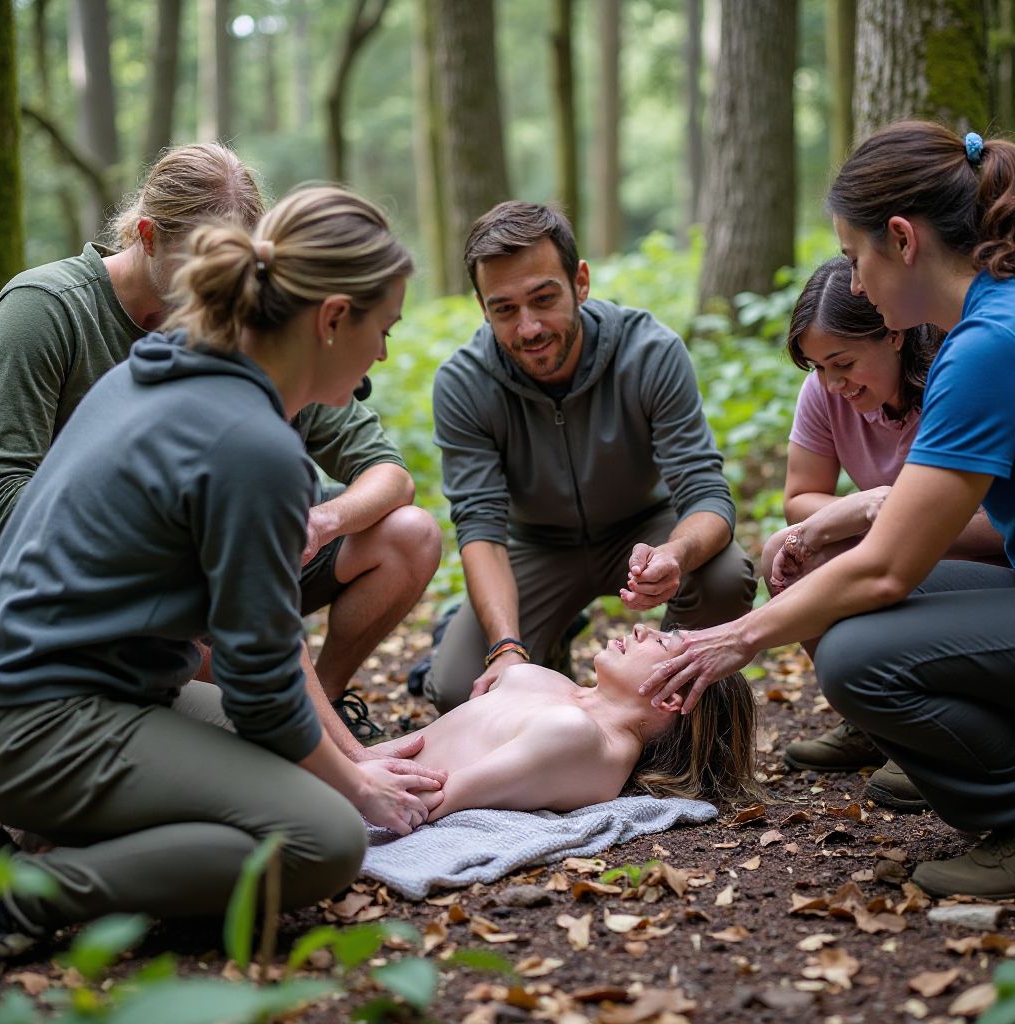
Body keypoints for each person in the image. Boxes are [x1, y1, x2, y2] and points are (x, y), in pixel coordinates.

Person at [0, 185, 445, 961]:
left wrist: (347, 757)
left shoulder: (169, 372)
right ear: (333, 318)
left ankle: (81, 828)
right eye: (383, 329)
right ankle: (28, 898)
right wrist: (357, 786)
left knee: (301, 773)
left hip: (86, 695)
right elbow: (262, 681)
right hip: (39, 718)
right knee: (324, 837)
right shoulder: (250, 445)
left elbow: (262, 652)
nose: (384, 356)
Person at [640, 121, 1015, 900]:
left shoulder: (987, 346)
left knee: (855, 657)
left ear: (903, 240)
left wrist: (736, 637)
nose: (852, 282)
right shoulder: (984, 325)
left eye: (853, 257)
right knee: (841, 617)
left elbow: (887, 569)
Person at [0, 142, 441, 740]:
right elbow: (3, 493)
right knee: (307, 806)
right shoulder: (47, 311)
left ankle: (319, 715)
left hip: (191, 582)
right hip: (78, 607)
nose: (217, 286)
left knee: (407, 532)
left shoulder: (251, 330)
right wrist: (181, 556)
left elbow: (386, 469)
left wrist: (320, 521)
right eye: (199, 263)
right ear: (146, 236)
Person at [426, 201, 756, 713]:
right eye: (505, 310)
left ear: (580, 282)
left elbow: (707, 495)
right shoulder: (462, 382)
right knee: (458, 689)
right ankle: (540, 646)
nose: (529, 328)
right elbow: (481, 532)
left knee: (726, 576)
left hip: (644, 528)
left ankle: (670, 712)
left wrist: (675, 554)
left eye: (544, 298)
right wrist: (507, 648)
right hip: (535, 545)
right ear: (482, 307)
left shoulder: (649, 350)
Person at [760, 258, 1003, 809]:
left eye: (843, 363)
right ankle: (871, 722)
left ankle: (940, 735)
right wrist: (865, 507)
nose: (833, 383)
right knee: (788, 550)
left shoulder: (957, 375)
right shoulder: (827, 393)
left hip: (984, 562)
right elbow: (800, 497)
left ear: (893, 335)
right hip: (907, 546)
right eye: (818, 368)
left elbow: (995, 521)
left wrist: (901, 520)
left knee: (850, 556)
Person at [382, 623, 756, 820]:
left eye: (661, 642)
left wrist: (349, 782)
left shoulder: (580, 737)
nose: (643, 628)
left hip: (370, 789)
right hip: (357, 767)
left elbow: (435, 801)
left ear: (673, 696)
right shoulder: (569, 695)